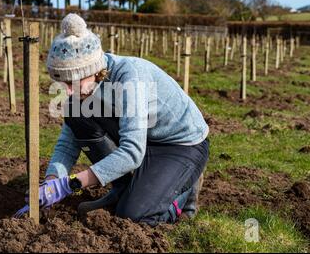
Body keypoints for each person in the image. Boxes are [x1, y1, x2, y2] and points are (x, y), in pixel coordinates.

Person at [14, 13, 209, 226]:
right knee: (76, 116)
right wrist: (52, 181)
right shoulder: (80, 92)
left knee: (134, 216)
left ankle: (179, 195)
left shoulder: (130, 77)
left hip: (179, 144)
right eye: (63, 83)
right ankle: (122, 189)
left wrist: (70, 184)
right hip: (143, 136)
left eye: (74, 81)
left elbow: (132, 152)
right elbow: (69, 142)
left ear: (94, 70)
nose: (68, 91)